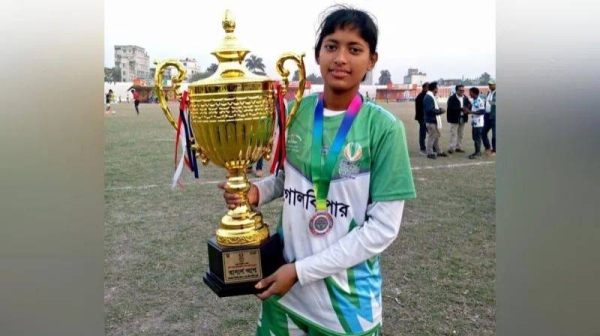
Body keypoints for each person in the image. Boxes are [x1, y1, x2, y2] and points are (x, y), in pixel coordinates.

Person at [219, 6, 416, 335]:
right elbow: (289, 177)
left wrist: (300, 271)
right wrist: (257, 191)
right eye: (331, 46)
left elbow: (382, 229)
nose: (341, 58)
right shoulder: (296, 110)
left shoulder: (384, 129)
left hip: (346, 310)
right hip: (285, 297)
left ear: (371, 60)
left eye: (354, 49)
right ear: (317, 54)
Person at [423, 81, 447, 159]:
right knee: (432, 137)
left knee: (436, 137)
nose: (438, 89)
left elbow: (432, 109)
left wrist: (439, 109)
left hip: (433, 121)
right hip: (431, 121)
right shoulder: (429, 97)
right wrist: (440, 111)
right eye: (437, 88)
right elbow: (429, 110)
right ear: (434, 89)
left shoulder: (430, 96)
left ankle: (439, 151)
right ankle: (429, 152)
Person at [446, 84, 470, 154]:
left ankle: (458, 147)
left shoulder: (465, 97)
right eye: (460, 90)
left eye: (463, 90)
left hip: (463, 117)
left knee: (461, 134)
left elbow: (469, 104)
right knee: (453, 133)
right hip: (454, 118)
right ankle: (451, 148)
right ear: (456, 90)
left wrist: (468, 108)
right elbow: (451, 108)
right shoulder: (452, 98)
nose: (462, 91)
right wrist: (461, 109)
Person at [465, 87, 486, 159]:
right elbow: (472, 110)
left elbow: (482, 111)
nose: (469, 94)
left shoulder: (480, 101)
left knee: (477, 138)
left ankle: (478, 152)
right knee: (475, 138)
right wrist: (468, 111)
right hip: (474, 123)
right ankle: (477, 151)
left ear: (474, 93)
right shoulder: (474, 101)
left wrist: (471, 112)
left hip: (479, 124)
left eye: (470, 92)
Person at [482, 80, 496, 155]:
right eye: (489, 85)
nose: (490, 86)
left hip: (494, 116)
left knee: (494, 134)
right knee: (483, 132)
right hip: (487, 115)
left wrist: (492, 103)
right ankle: (487, 147)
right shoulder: (489, 93)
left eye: (492, 85)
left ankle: (494, 150)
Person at [414, 82, 429, 155]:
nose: (429, 89)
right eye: (427, 87)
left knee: (431, 133)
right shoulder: (420, 97)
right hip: (422, 118)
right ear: (424, 88)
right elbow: (420, 109)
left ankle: (432, 147)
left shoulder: (427, 96)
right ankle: (422, 148)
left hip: (427, 118)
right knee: (423, 134)